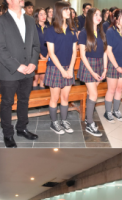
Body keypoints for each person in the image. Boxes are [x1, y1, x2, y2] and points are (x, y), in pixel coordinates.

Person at [0, 0, 41, 148]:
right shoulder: (0, 21)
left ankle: (22, 128)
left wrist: (33, 62)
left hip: (28, 70)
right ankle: (8, 133)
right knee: (7, 103)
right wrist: (17, 66)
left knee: (24, 100)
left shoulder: (30, 20)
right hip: (10, 71)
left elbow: (36, 45)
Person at [44, 1, 78, 135]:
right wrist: (63, 71)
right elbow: (51, 53)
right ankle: (54, 123)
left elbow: (75, 51)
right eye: (65, 9)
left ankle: (64, 120)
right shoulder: (51, 30)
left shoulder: (72, 29)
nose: (68, 12)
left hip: (68, 67)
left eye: (69, 9)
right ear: (58, 11)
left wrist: (70, 69)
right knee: (55, 98)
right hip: (55, 68)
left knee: (65, 97)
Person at [78, 7, 107, 137]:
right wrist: (92, 72)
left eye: (100, 15)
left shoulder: (101, 32)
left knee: (91, 94)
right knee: (94, 95)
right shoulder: (84, 33)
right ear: (90, 17)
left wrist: (105, 69)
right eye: (96, 15)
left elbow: (105, 52)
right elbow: (83, 56)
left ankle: (88, 119)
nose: (99, 17)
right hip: (88, 66)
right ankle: (90, 123)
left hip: (100, 65)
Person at [104, 8, 122, 123]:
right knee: (111, 89)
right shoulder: (110, 31)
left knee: (119, 89)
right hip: (113, 65)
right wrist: (117, 66)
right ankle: (108, 112)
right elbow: (109, 51)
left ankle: (116, 110)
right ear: (116, 18)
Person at [33, 8, 48, 90]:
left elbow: (51, 43)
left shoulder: (49, 28)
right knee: (35, 79)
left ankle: (42, 101)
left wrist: (48, 55)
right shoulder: (34, 27)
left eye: (45, 14)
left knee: (43, 79)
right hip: (36, 55)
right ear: (37, 16)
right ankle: (35, 100)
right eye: (41, 14)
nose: (43, 16)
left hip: (47, 55)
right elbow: (33, 43)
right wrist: (40, 55)